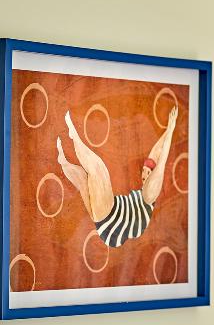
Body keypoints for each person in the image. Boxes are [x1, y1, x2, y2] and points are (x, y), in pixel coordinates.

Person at [56, 105, 179, 248]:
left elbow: (161, 163)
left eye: (148, 174)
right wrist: (168, 130)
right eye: (144, 171)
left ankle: (74, 137)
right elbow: (156, 152)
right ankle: (63, 162)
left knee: (98, 170)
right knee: (84, 181)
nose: (144, 175)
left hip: (112, 222)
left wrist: (171, 131)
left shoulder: (149, 196)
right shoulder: (143, 195)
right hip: (110, 220)